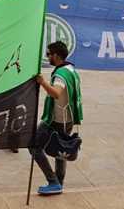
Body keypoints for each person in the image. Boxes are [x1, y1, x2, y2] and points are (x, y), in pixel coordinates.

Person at [31, 41, 83, 196]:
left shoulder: (60, 74)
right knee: (61, 152)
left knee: (34, 147)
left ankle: (53, 181)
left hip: (56, 120)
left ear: (57, 56)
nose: (48, 57)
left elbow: (56, 93)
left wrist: (42, 82)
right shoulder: (71, 69)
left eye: (49, 54)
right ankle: (59, 184)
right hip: (69, 119)